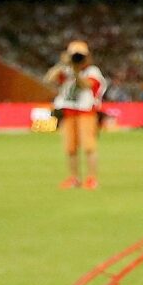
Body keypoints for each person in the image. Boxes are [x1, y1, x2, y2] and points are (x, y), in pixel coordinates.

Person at [47, 38, 107, 189]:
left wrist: (75, 71)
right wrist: (62, 64)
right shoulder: (65, 70)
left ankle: (92, 178)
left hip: (86, 111)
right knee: (70, 148)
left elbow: (87, 85)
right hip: (67, 112)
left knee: (89, 146)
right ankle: (73, 178)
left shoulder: (92, 71)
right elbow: (49, 79)